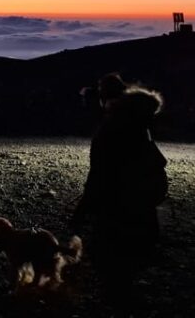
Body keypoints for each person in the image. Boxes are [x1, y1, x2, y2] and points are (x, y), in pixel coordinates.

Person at [71, 74, 168, 313]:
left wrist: (81, 211)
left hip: (117, 212)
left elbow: (100, 176)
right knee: (129, 271)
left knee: (112, 272)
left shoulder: (112, 129)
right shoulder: (140, 123)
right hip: (142, 210)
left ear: (104, 100)